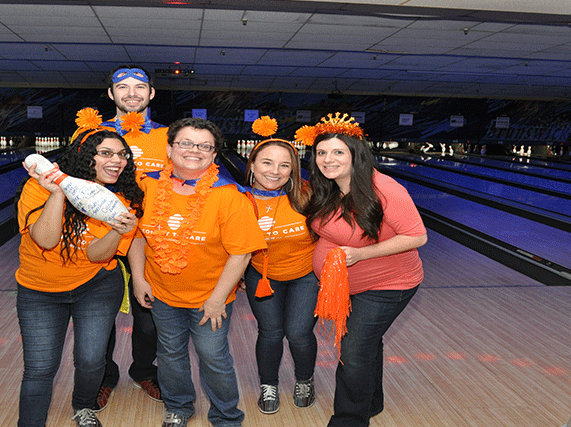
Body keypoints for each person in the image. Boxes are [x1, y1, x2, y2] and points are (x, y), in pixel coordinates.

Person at [131, 117, 267, 427]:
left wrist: (218, 299)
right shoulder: (146, 185)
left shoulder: (230, 195)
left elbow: (241, 252)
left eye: (205, 146)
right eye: (186, 143)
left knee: (213, 356)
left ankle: (227, 417)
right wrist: (139, 278)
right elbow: (137, 234)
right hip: (163, 292)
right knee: (169, 353)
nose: (195, 150)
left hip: (211, 295)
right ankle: (178, 408)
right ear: (170, 148)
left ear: (214, 154)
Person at [297, 113, 428, 427]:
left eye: (338, 152)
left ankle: (349, 420)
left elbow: (417, 236)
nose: (328, 159)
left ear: (356, 154)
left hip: (389, 283)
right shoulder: (327, 187)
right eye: (322, 153)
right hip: (346, 285)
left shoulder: (384, 188)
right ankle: (371, 402)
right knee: (367, 343)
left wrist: (360, 253)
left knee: (353, 350)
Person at [15, 118, 144, 427]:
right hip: (39, 289)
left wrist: (117, 231)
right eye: (106, 153)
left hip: (96, 284)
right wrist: (57, 193)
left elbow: (95, 255)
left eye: (122, 154)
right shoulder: (38, 187)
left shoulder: (120, 199)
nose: (117, 161)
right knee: (41, 366)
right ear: (86, 156)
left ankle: (84, 406)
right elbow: (45, 240)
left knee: (90, 358)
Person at [87, 64, 168, 408]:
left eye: (139, 87)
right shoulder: (90, 135)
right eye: (123, 87)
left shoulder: (168, 136)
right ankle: (105, 376)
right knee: (99, 318)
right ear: (111, 94)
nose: (131, 93)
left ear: (151, 93)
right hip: (101, 238)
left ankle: (144, 370)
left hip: (149, 240)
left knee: (148, 320)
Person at [242, 116, 318, 414]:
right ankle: (268, 384)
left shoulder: (309, 195)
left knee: (299, 333)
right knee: (270, 332)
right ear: (251, 164)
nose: (275, 171)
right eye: (267, 163)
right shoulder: (239, 199)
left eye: (284, 165)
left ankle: (304, 379)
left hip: (305, 275)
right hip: (262, 275)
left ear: (293, 169)